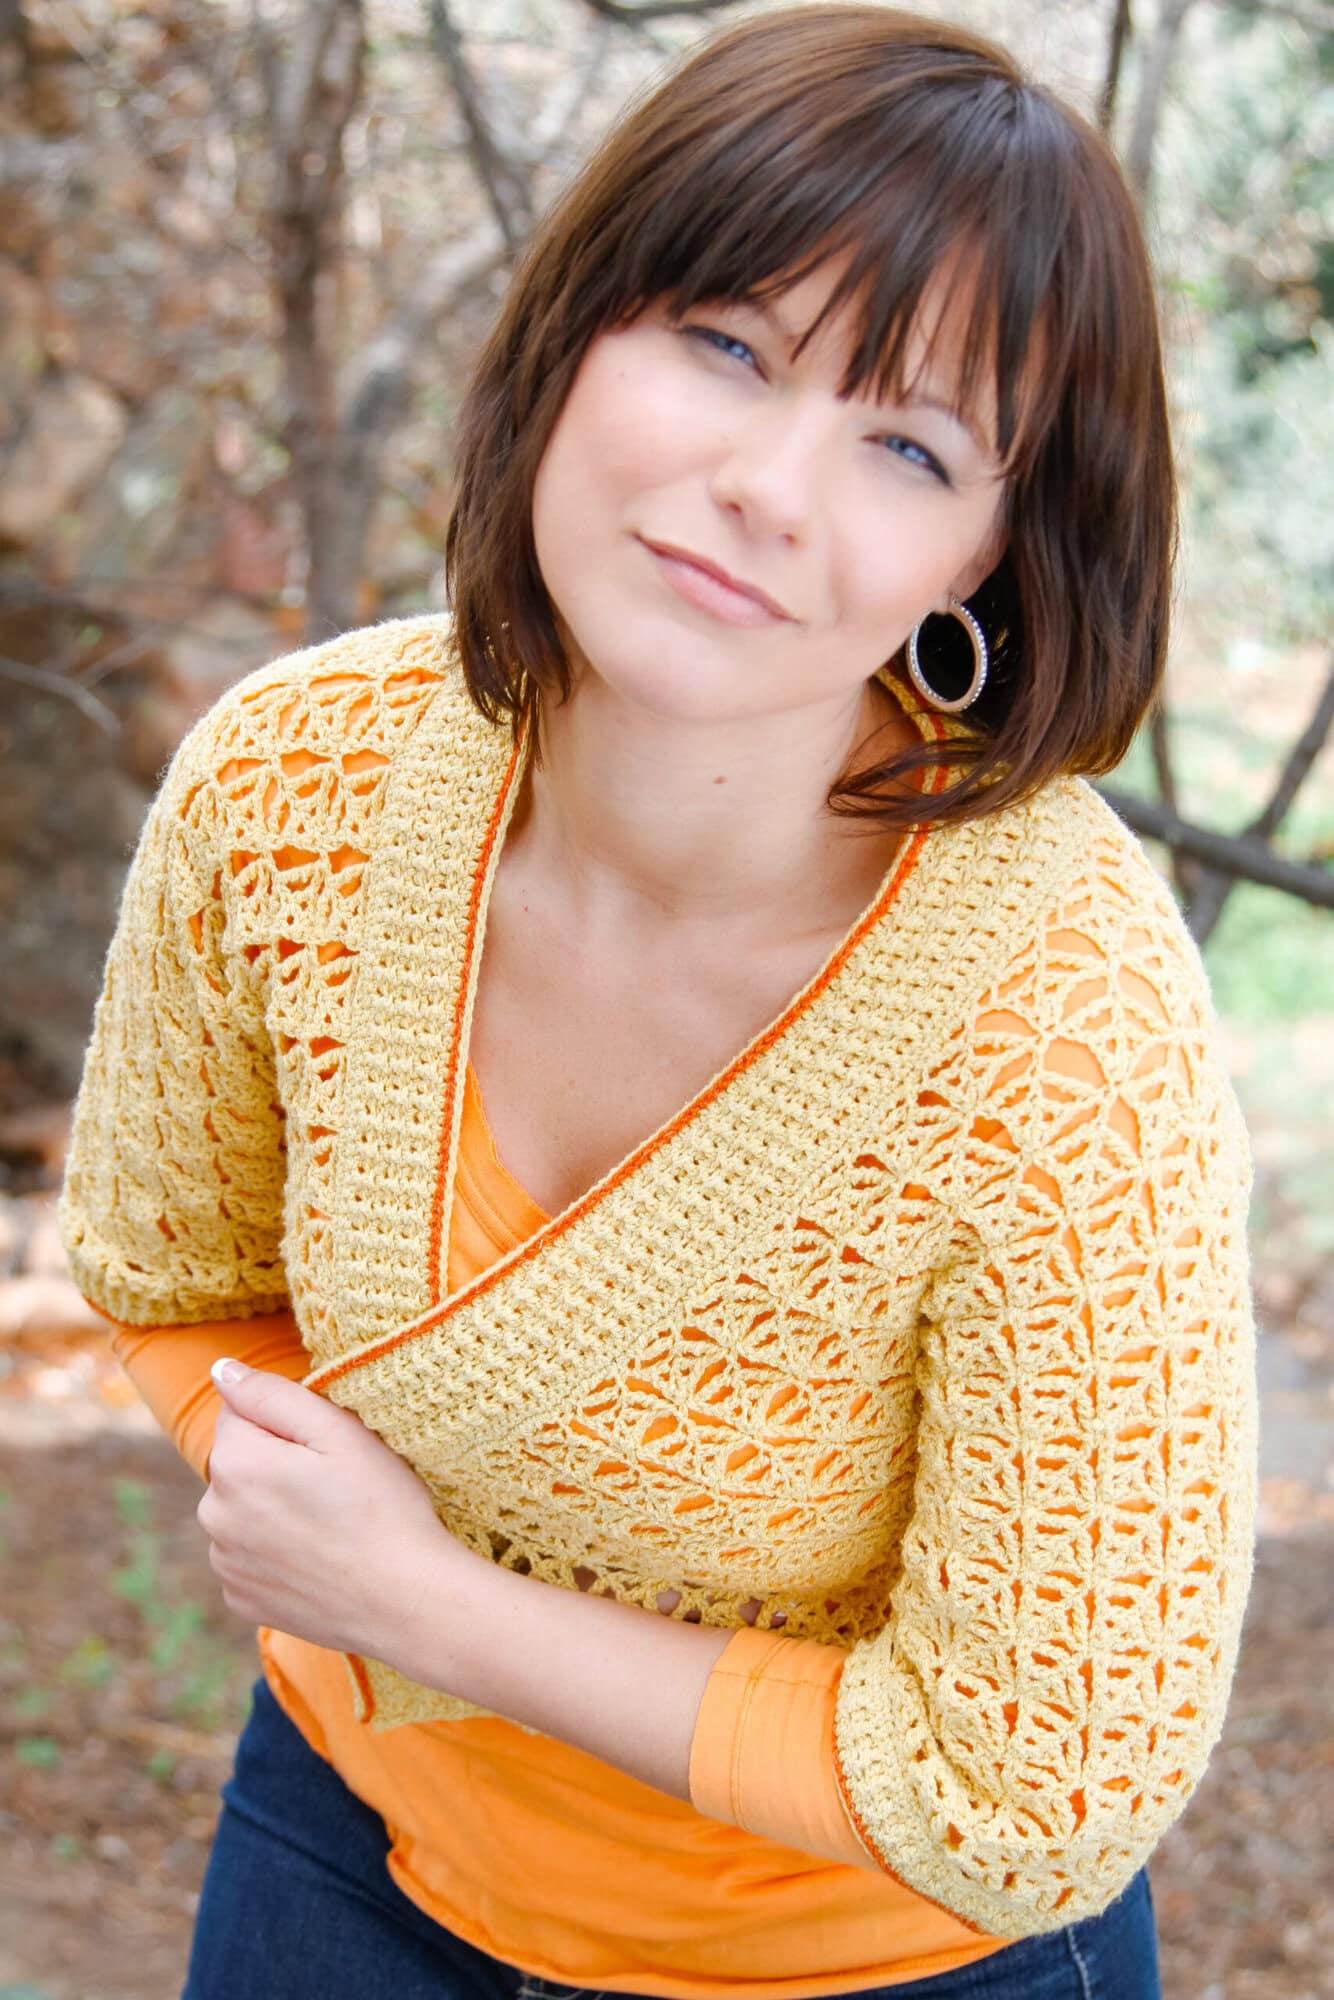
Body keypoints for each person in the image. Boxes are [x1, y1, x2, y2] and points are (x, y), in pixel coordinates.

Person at [58, 7, 1257, 1997]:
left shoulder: (1058, 1016)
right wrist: (322, 1554)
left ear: (985, 555)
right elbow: (170, 1264)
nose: (767, 488)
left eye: (907, 443)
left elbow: (1042, 1783)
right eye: (725, 344)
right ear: (574, 333)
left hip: (874, 1964)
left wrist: (424, 1605)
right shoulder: (293, 783)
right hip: (352, 1855)